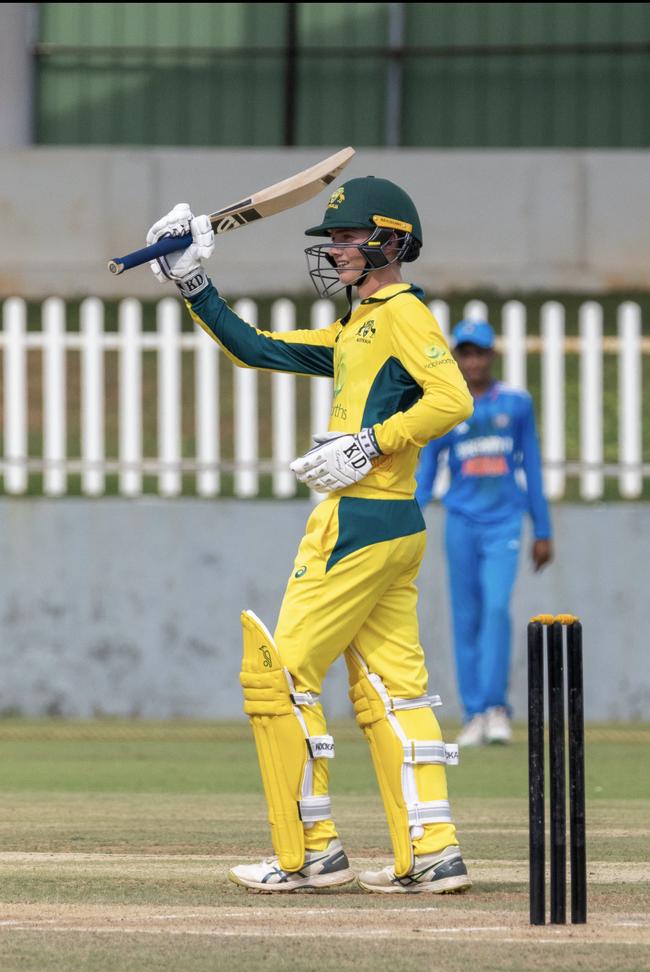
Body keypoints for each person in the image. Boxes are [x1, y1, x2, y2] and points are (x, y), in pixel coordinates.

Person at [144, 176, 474, 894]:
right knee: (393, 692)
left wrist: (369, 444)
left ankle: (311, 850)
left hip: (358, 517)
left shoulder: (400, 315)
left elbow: (452, 398)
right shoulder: (360, 327)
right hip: (393, 524)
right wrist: (194, 281)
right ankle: (434, 850)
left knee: (280, 677)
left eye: (348, 239)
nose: (335, 251)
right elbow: (256, 348)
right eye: (332, 240)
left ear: (390, 241)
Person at [415, 319, 553, 748]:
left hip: (504, 522)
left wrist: (543, 529)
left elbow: (529, 463)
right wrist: (405, 514)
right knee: (466, 618)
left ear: (491, 356)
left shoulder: (515, 403)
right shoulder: (445, 403)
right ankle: (474, 712)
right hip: (460, 522)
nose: (473, 361)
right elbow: (425, 469)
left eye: (480, 353)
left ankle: (496, 708)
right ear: (456, 357)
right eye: (466, 353)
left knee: (496, 609)